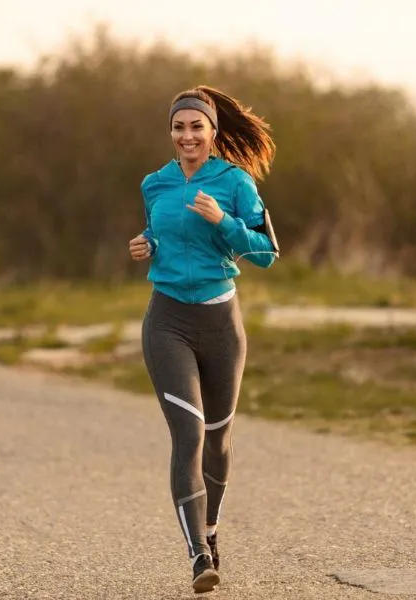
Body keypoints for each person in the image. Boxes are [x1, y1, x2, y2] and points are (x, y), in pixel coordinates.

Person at [128, 85, 279, 594]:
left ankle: (211, 531)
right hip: (167, 321)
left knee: (217, 438)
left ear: (213, 132)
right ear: (170, 132)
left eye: (196, 126)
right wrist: (147, 243)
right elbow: (162, 232)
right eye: (179, 127)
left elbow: (266, 253)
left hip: (221, 326)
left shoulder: (235, 182)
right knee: (188, 435)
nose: (187, 135)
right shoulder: (155, 183)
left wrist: (225, 221)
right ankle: (198, 555)